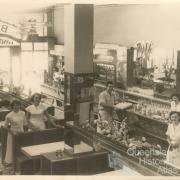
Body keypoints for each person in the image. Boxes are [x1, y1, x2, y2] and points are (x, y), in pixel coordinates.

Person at [4, 100, 27, 165]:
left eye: (18, 105)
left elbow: (25, 124)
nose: (17, 106)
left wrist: (33, 129)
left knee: (21, 148)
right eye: (15, 105)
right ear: (12, 106)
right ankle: (12, 163)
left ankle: (19, 163)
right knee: (12, 149)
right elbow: (5, 127)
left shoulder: (23, 113)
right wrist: (12, 132)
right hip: (12, 134)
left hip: (21, 132)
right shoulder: (8, 115)